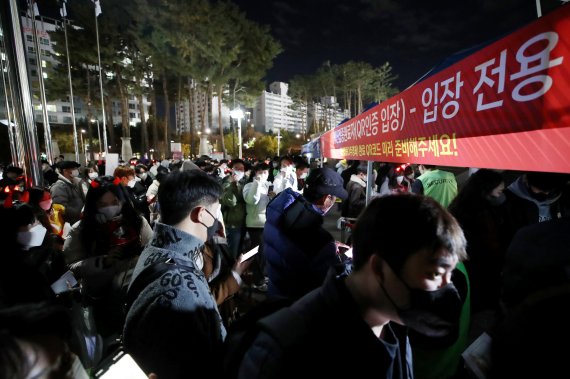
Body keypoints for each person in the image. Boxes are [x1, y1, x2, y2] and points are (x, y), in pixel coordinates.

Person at [237, 194, 468, 378]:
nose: (447, 287)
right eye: (436, 273)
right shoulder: (289, 350)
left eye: (450, 274)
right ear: (378, 268)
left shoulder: (395, 322)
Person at [123, 170, 227, 378]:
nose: (217, 218)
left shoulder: (156, 249)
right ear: (201, 214)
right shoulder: (182, 291)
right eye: (216, 211)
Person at [63, 176, 152, 344]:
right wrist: (102, 262)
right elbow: (71, 267)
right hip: (100, 300)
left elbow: (152, 251)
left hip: (135, 295)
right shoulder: (81, 230)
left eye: (114, 201)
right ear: (93, 205)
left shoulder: (138, 222)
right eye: (102, 204)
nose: (110, 207)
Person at [264, 167, 349, 300]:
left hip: (276, 293)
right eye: (335, 200)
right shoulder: (317, 238)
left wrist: (330, 247)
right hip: (298, 304)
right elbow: (329, 281)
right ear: (326, 198)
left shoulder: (280, 208)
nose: (333, 203)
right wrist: (342, 260)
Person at [242, 162, 273, 289]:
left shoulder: (268, 186)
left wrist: (273, 197)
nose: (263, 175)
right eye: (260, 172)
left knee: (265, 253)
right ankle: (257, 280)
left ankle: (262, 276)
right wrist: (257, 183)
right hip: (255, 224)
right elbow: (252, 200)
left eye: (265, 172)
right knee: (258, 253)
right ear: (255, 173)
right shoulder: (249, 185)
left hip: (267, 223)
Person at [221, 159, 248, 259]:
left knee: (242, 250)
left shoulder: (246, 182)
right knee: (233, 252)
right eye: (237, 168)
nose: (240, 171)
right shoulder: (226, 183)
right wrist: (233, 184)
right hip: (233, 224)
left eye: (242, 169)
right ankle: (231, 272)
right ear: (231, 169)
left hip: (245, 223)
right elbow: (231, 202)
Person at [50, 161, 85, 225]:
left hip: (78, 221)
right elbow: (61, 207)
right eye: (73, 168)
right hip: (70, 223)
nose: (76, 170)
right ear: (65, 171)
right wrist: (79, 214)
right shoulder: (59, 187)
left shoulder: (74, 183)